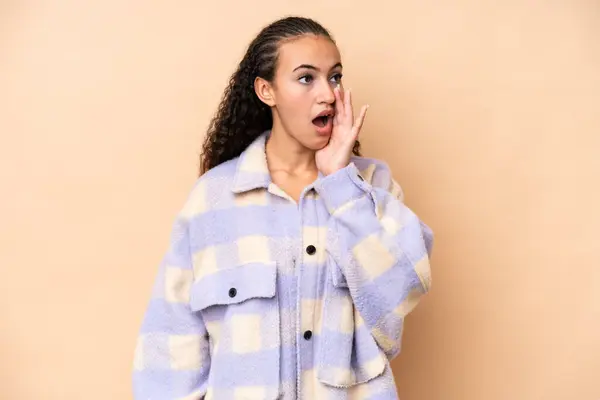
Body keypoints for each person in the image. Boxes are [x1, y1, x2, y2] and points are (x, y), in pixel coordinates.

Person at [132, 16, 433, 400]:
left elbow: (401, 290)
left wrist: (339, 184)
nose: (327, 93)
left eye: (335, 77)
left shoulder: (372, 186)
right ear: (266, 90)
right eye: (307, 78)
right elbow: (170, 346)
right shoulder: (213, 200)